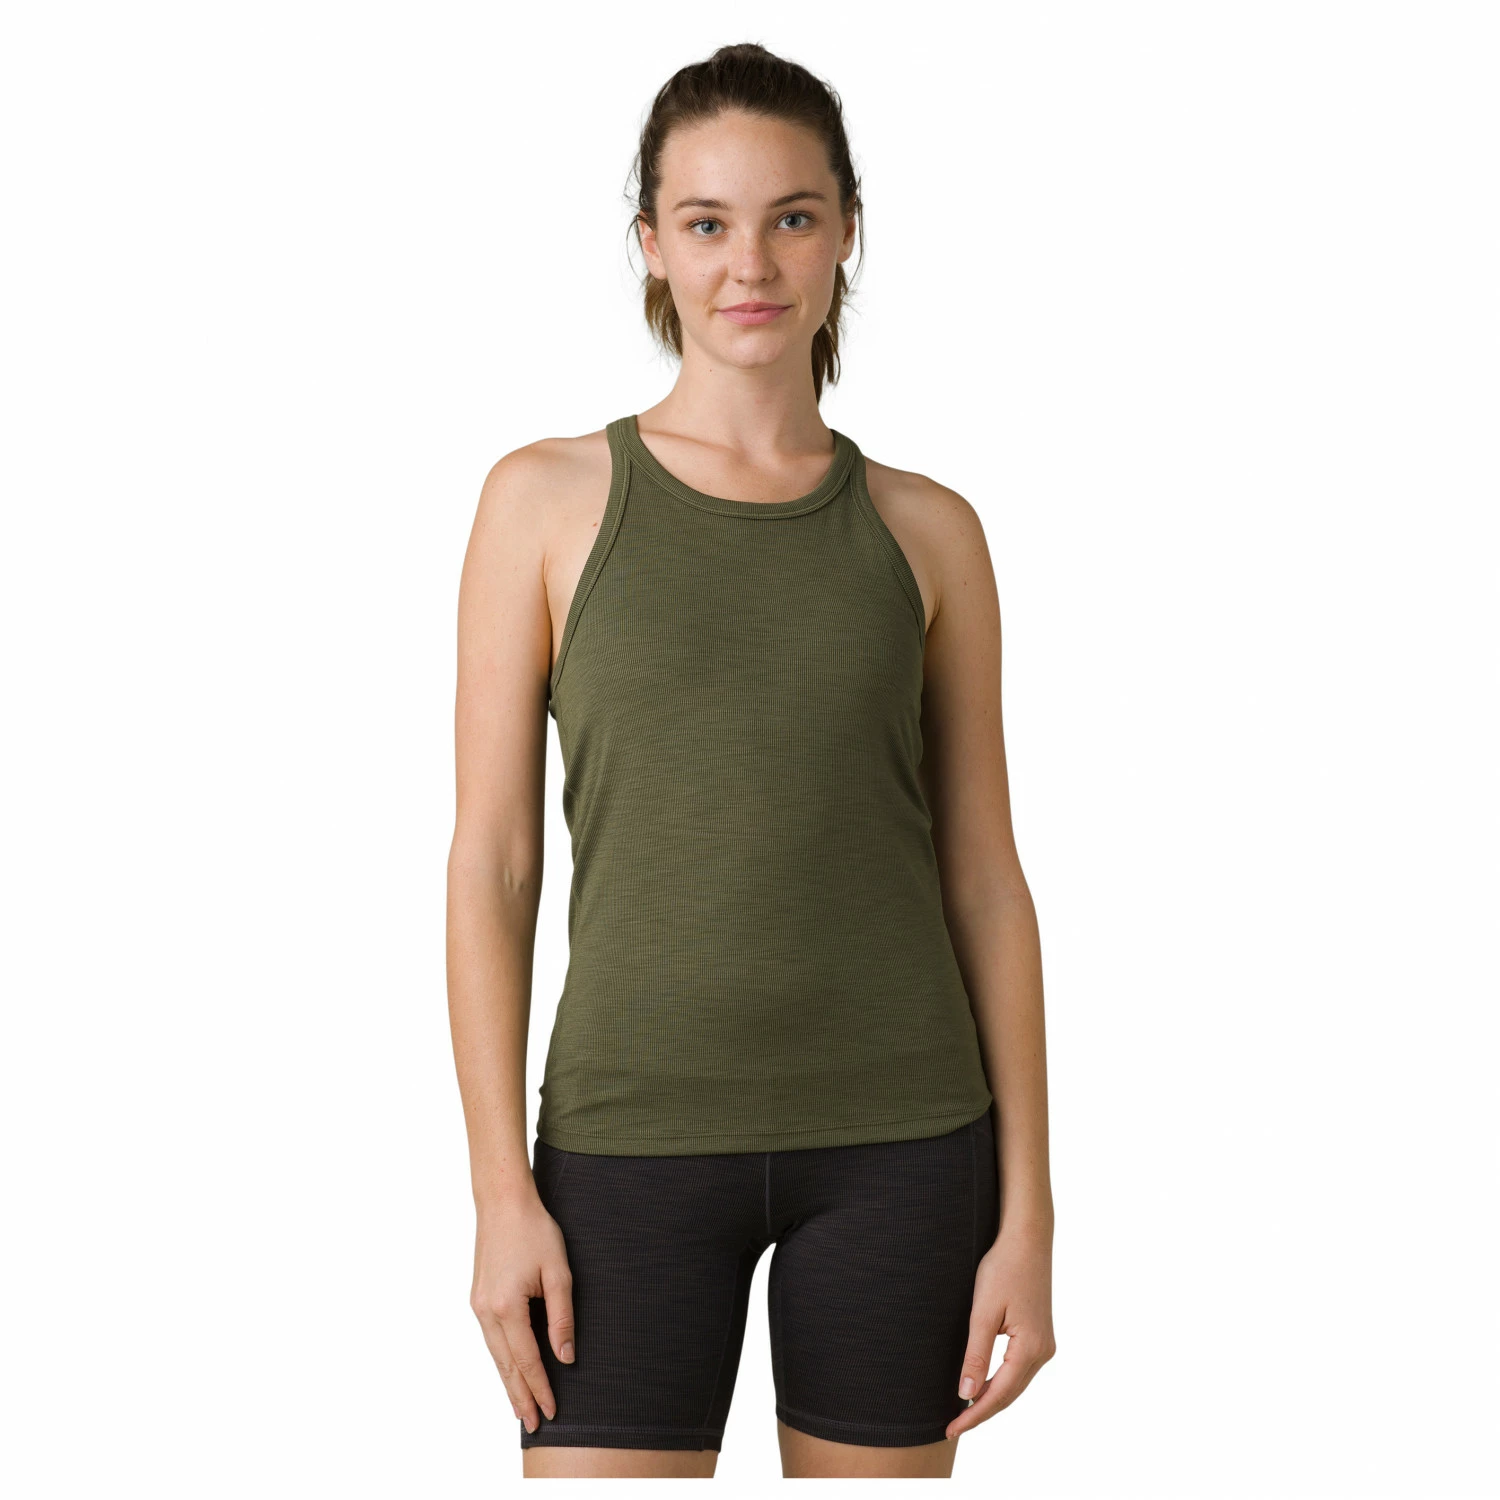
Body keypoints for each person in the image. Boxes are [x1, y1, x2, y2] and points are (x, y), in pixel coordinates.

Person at [446, 41, 1055, 1480]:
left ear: (845, 233)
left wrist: (1030, 1210)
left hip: (905, 1144)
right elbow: (496, 863)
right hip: (626, 1146)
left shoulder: (928, 531)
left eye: (792, 217)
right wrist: (497, 1191)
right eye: (708, 222)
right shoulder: (543, 502)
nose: (751, 264)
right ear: (651, 244)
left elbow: (985, 879)